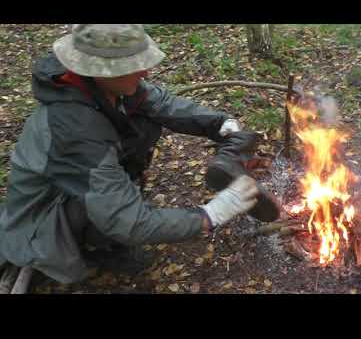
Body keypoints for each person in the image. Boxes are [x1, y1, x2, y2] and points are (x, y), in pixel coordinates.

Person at [0, 24, 262, 284]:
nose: (145, 71)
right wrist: (209, 215)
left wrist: (217, 123)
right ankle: (101, 248)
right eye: (132, 66)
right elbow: (127, 221)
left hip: (83, 186)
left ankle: (104, 227)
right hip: (43, 222)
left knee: (146, 120)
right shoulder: (74, 127)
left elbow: (160, 103)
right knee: (113, 214)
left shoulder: (100, 86)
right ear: (99, 70)